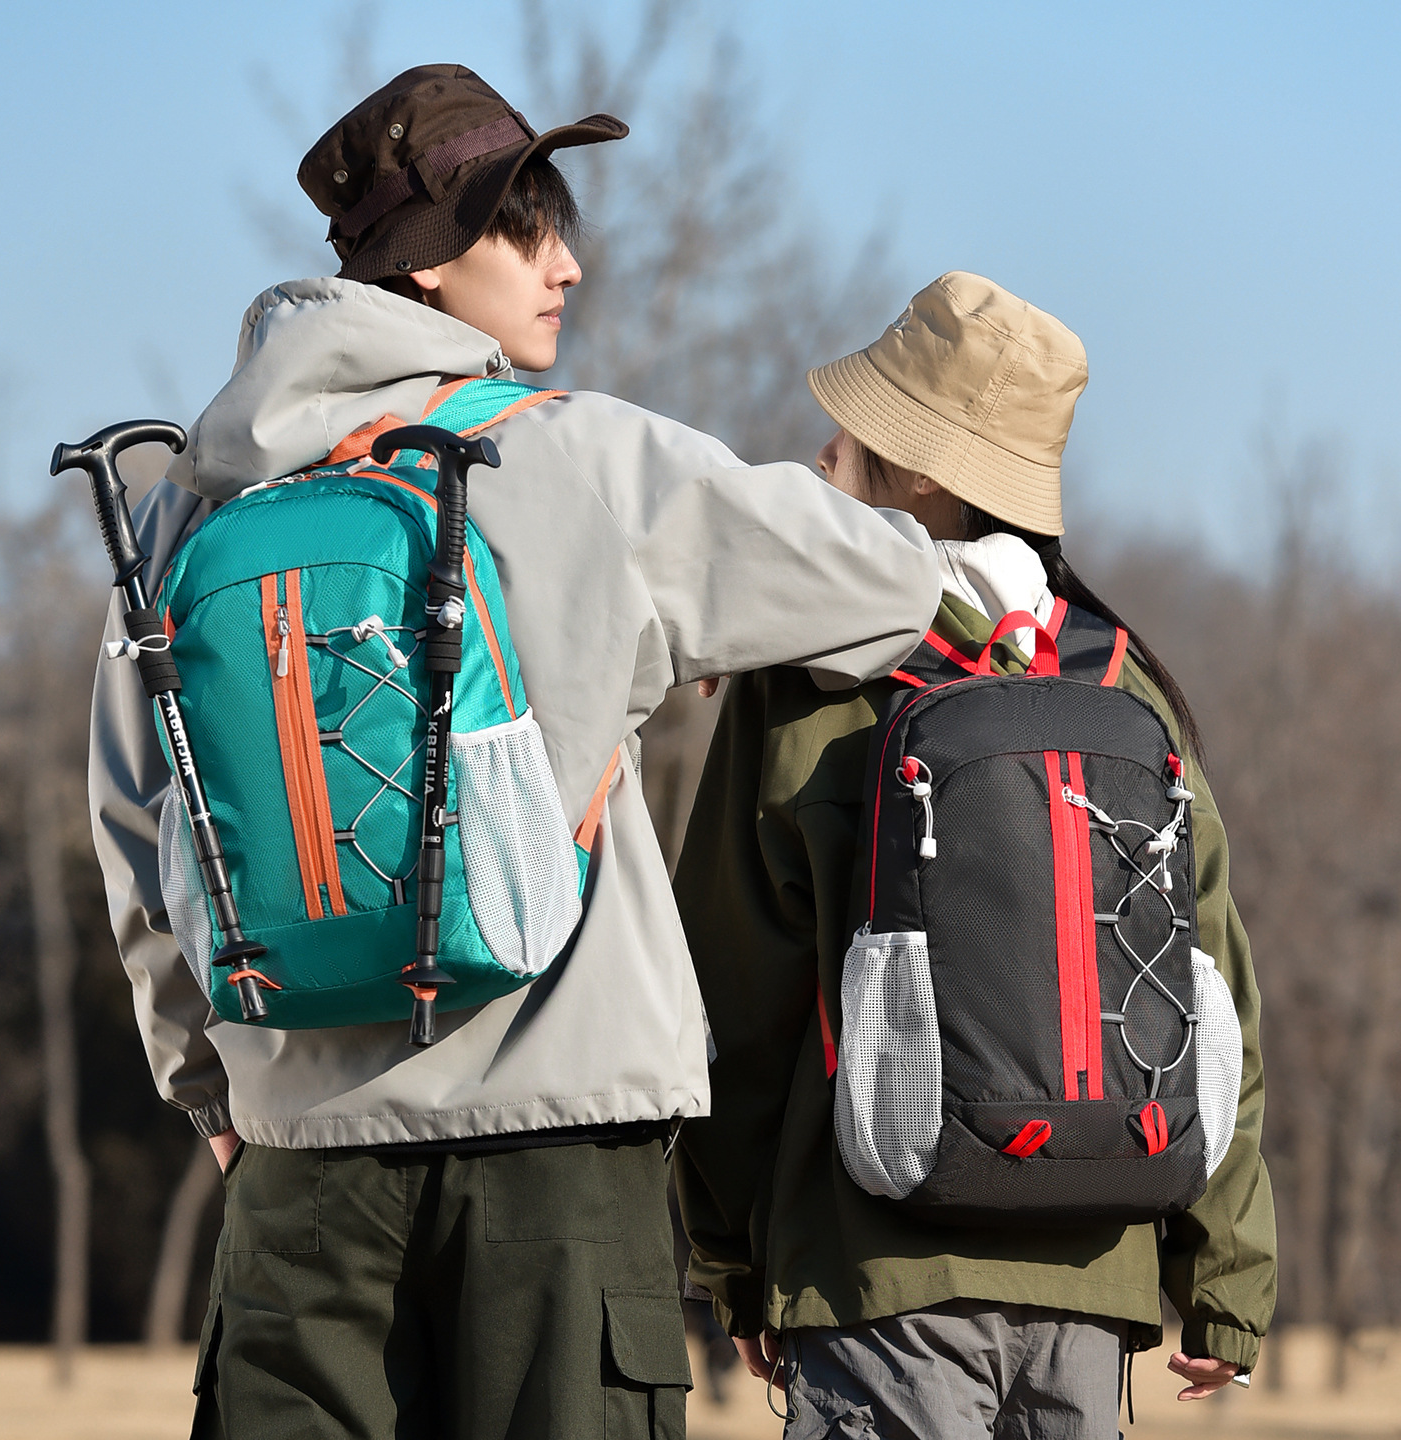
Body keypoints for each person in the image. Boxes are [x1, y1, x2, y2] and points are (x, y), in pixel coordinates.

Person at [88, 65, 946, 1440]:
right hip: (558, 1157)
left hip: (299, 1164)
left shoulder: (183, 521)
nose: (569, 262)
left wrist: (214, 1091)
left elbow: (144, 846)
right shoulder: (585, 463)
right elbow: (888, 585)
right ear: (428, 265)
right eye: (526, 225)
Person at [674, 272, 1276, 1439]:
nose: (824, 449)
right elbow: (1214, 995)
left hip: (873, 1261)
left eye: (854, 433)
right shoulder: (1121, 682)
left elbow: (733, 990)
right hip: (1094, 1274)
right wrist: (1224, 1278)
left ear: (918, 474)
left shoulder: (811, 680)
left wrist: (737, 1256)